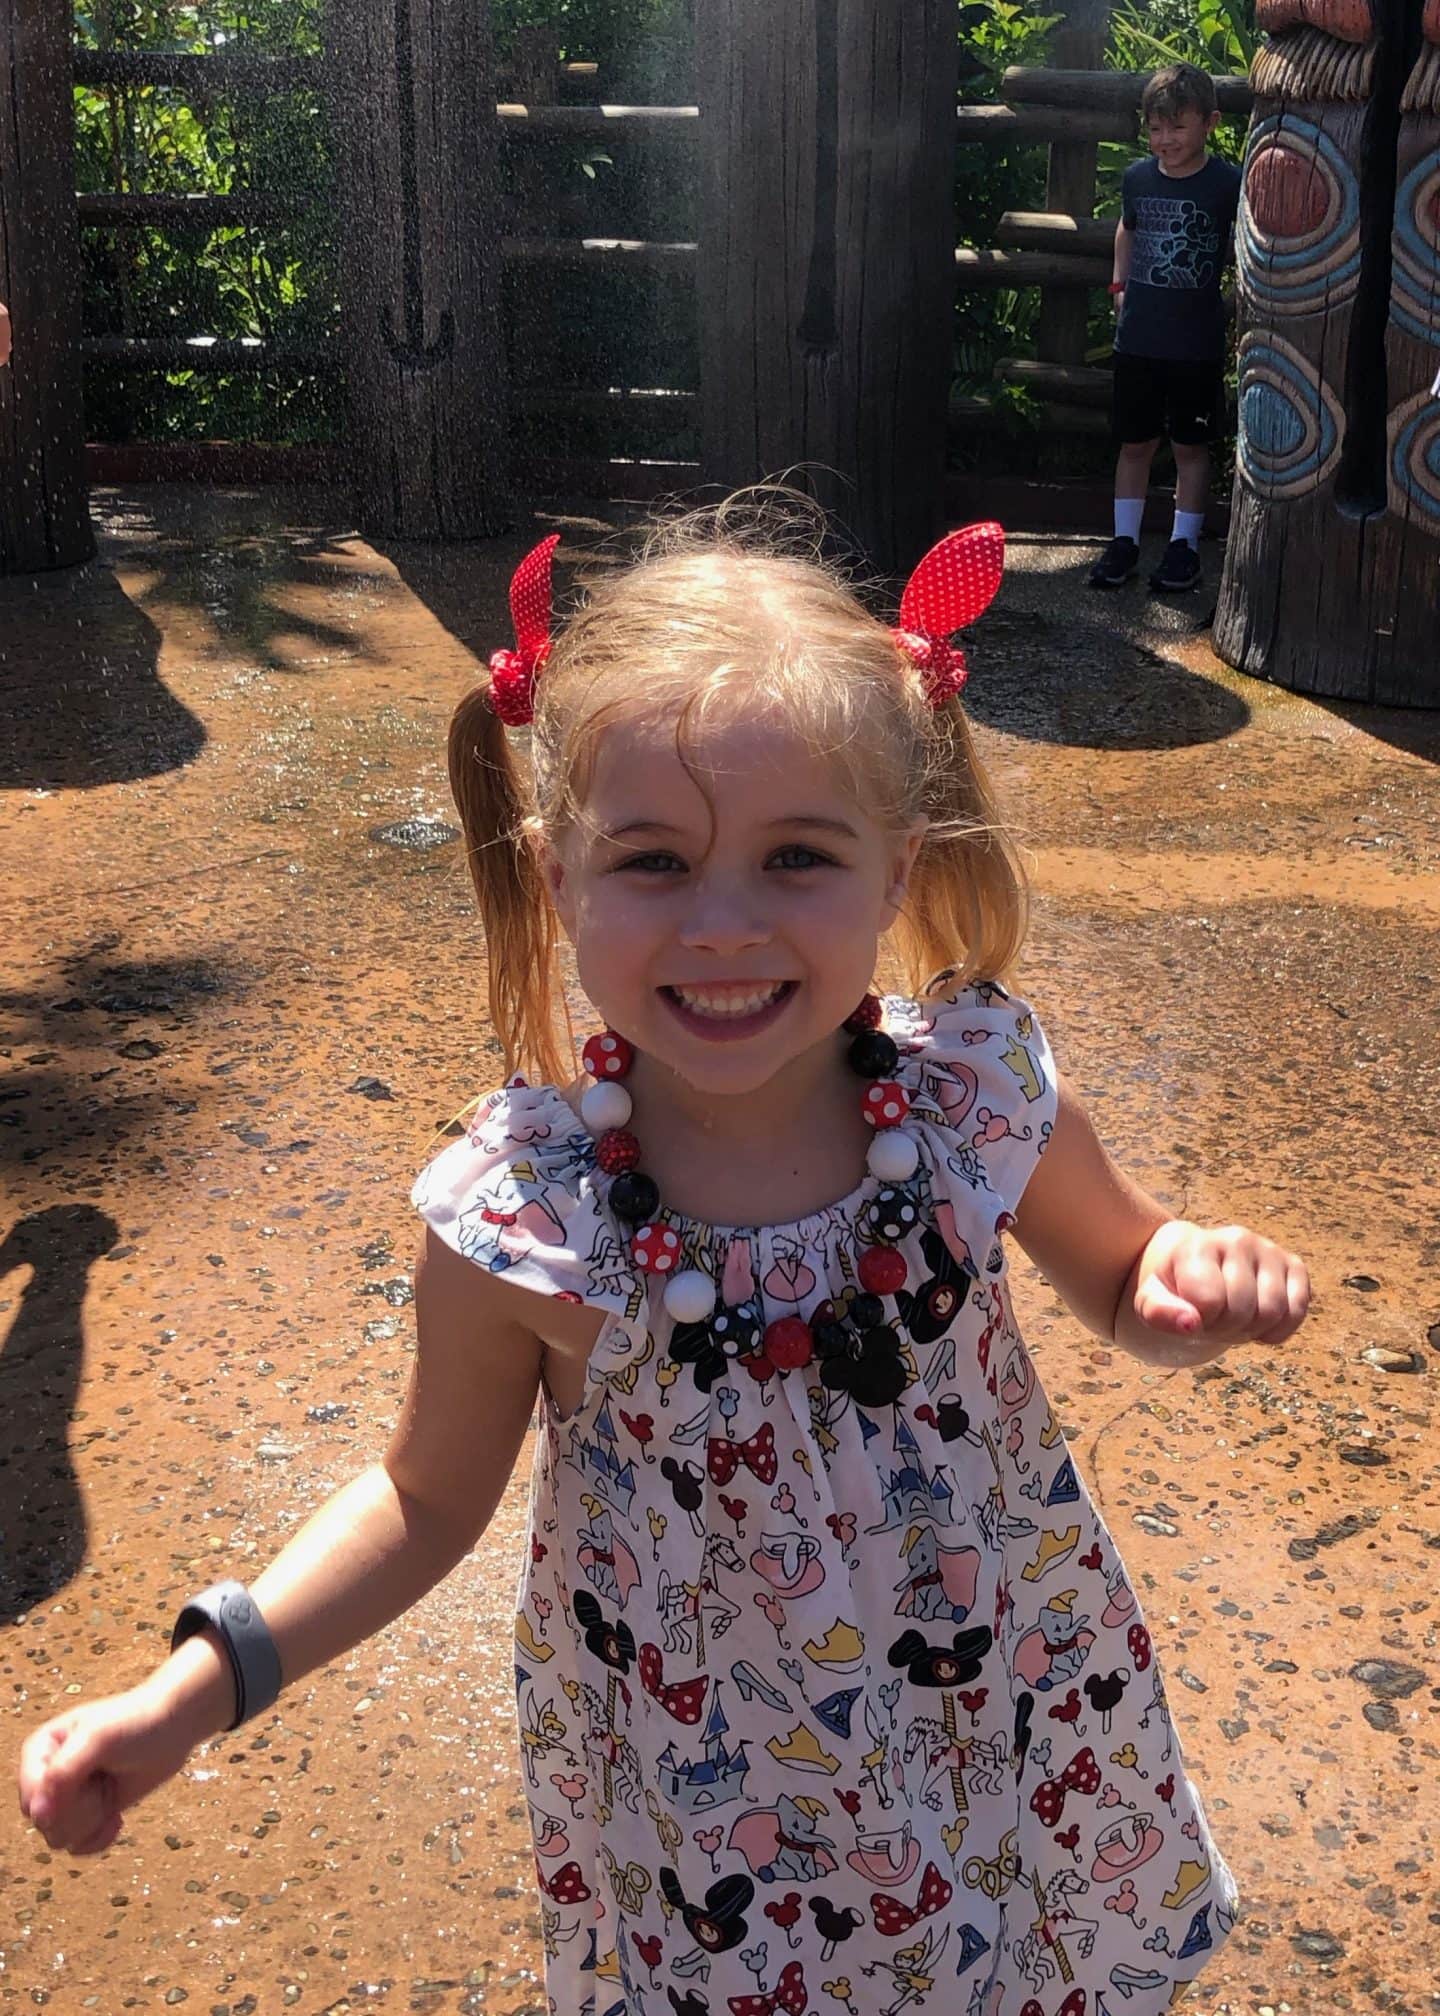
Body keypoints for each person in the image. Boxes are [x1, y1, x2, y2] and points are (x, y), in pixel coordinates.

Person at [19, 498, 1309, 2014]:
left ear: (896, 872)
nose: (721, 925)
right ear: (557, 868)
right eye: (652, 861)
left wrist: (1185, 1286)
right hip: (708, 1810)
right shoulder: (532, 1219)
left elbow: (1121, 1271)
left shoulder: (969, 1100)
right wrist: (202, 1683)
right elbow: (421, 1500)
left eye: (796, 857)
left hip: (999, 1719)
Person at [1089, 63, 1243, 596]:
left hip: (1196, 341)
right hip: (1139, 338)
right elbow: (1126, 229)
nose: (1165, 140)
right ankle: (1124, 541)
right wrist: (1119, 286)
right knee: (1134, 443)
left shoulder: (1228, 182)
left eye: (1177, 127)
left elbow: (1247, 244)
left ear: (1210, 123)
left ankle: (1183, 545)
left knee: (1190, 446)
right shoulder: (1137, 177)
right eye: (1155, 128)